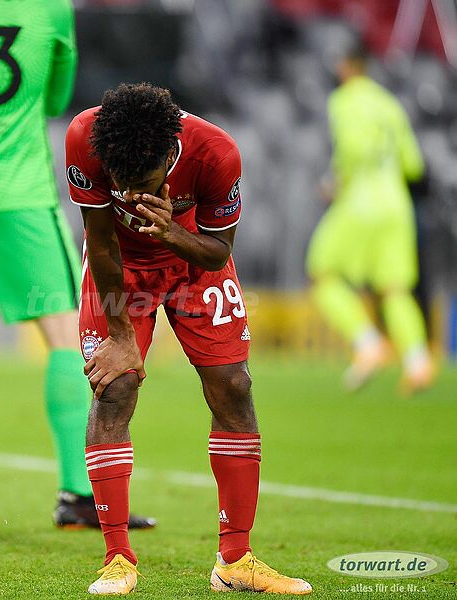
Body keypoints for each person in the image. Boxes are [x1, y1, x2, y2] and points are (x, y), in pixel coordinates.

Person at [0, 0, 153, 530]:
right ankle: (77, 493)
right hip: (18, 197)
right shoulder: (48, 9)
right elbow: (57, 99)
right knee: (65, 336)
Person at [66, 83, 312, 595]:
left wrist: (172, 233)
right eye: (122, 185)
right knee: (115, 387)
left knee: (234, 387)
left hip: (193, 262)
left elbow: (218, 252)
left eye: (145, 184)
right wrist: (120, 336)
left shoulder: (216, 154)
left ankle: (235, 559)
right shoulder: (84, 138)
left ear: (169, 156)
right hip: (120, 269)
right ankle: (117, 558)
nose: (132, 196)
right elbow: (100, 240)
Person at [306, 44, 434, 394]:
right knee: (395, 288)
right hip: (396, 204)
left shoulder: (345, 100)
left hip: (360, 202)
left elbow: (352, 149)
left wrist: (336, 182)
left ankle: (367, 344)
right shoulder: (390, 104)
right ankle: (418, 362)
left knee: (322, 272)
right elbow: (413, 164)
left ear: (347, 66)